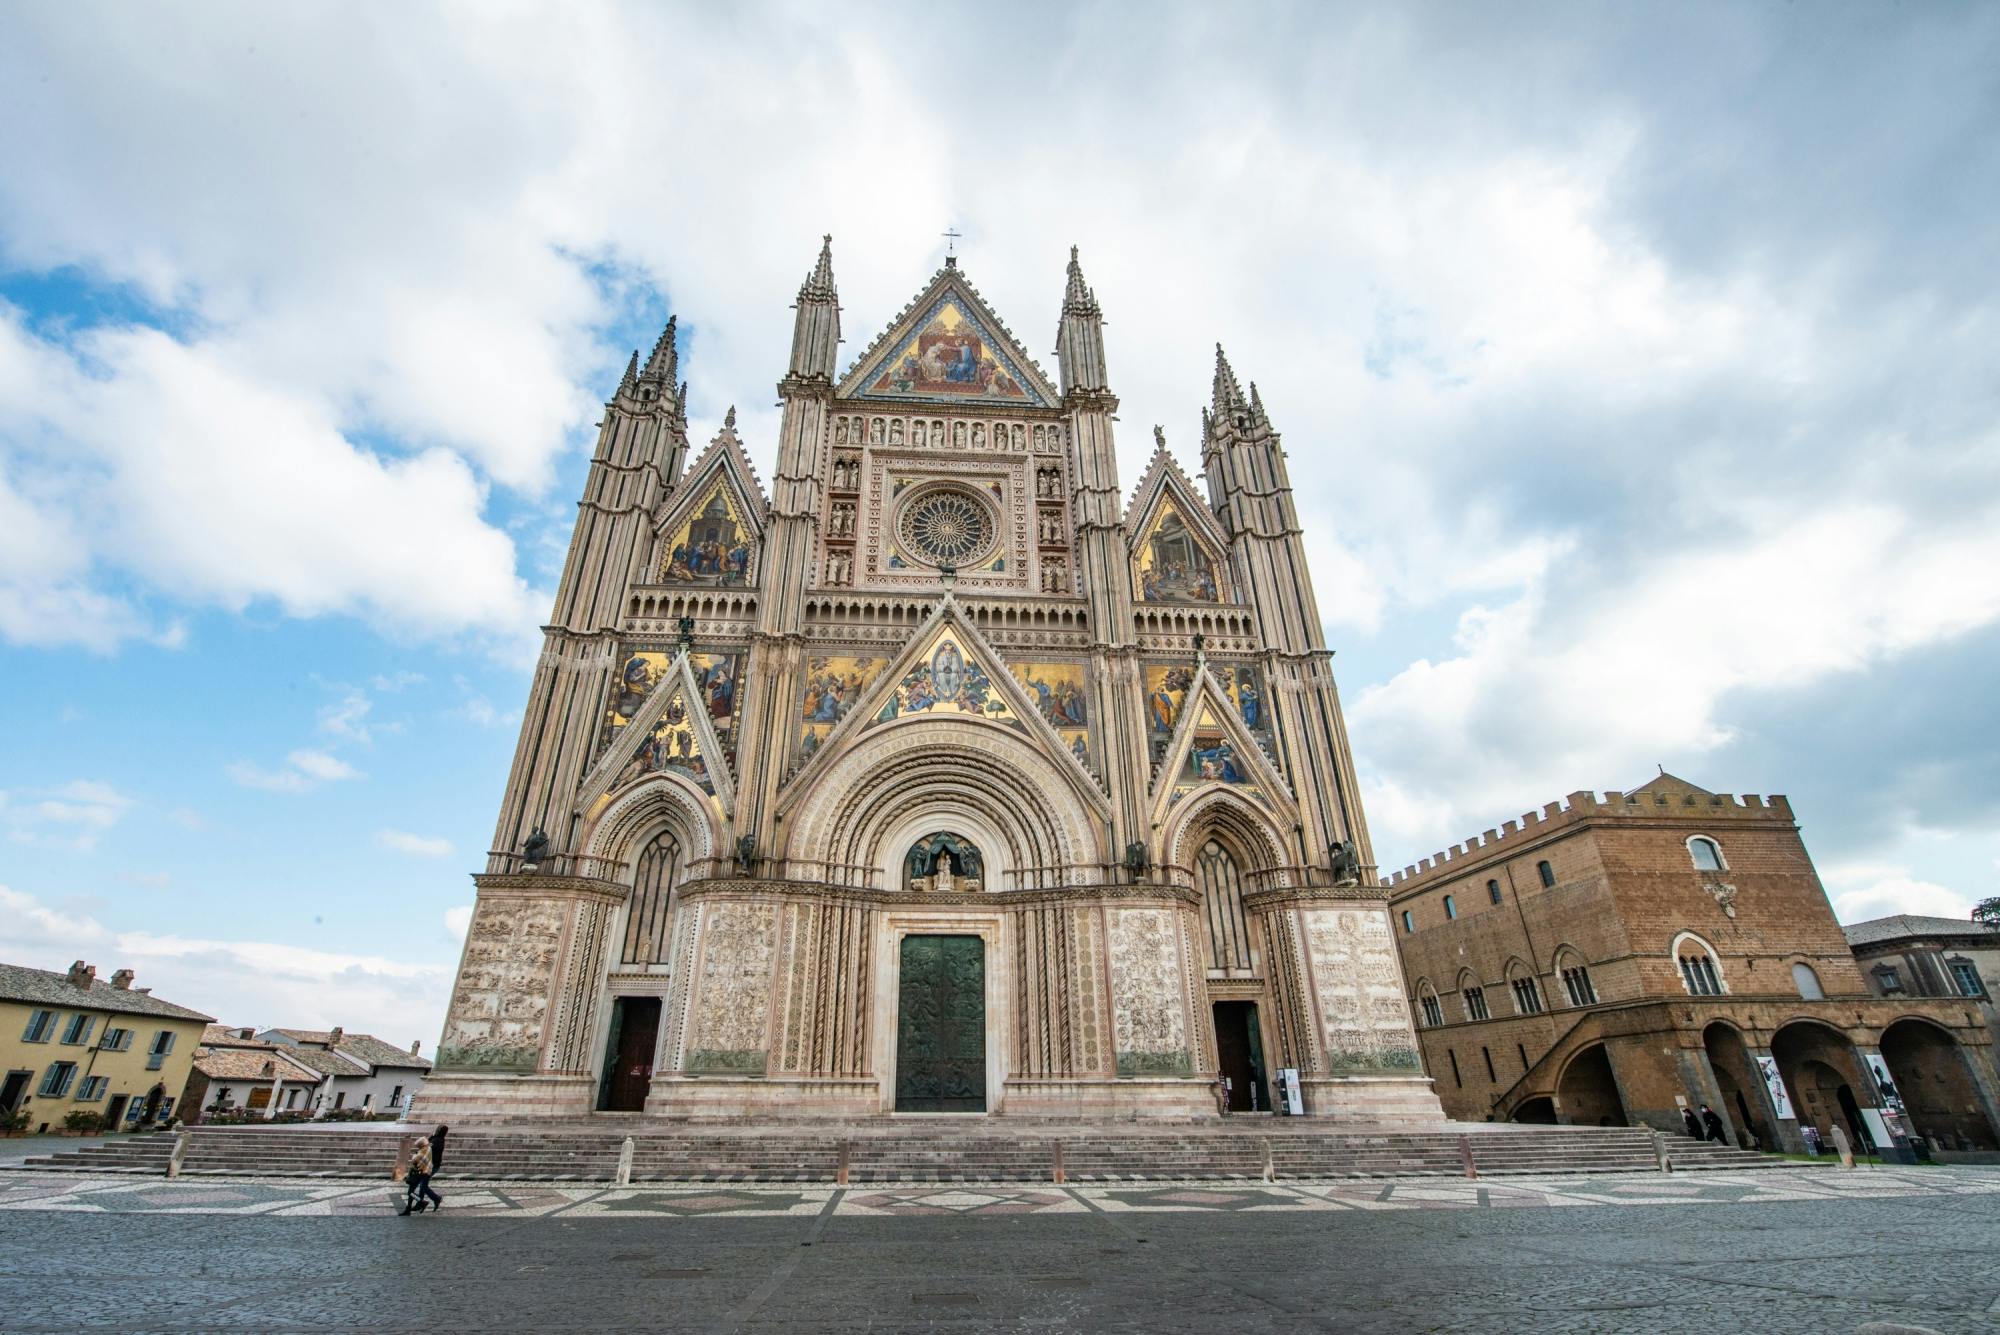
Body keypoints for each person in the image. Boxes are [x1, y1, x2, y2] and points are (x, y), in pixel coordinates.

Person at [402, 1135, 442, 1215]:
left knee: (410, 1192)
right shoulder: (428, 1149)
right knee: (413, 1190)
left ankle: (422, 1202)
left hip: (417, 1173)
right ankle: (408, 1209)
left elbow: (414, 1161)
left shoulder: (421, 1153)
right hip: (424, 1172)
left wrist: (414, 1156)